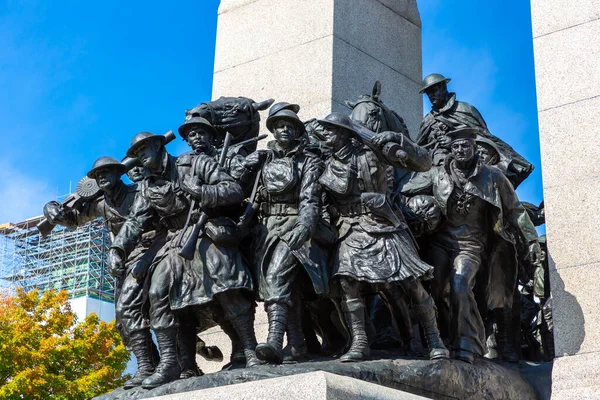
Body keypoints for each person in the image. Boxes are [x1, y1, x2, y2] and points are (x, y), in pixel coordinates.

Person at [109, 131, 258, 388]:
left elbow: (233, 189)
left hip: (206, 229)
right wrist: (118, 249)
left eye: (144, 149)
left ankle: (251, 349)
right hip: (174, 242)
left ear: (158, 146)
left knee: (227, 286)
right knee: (157, 294)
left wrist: (201, 191)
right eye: (136, 153)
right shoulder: (148, 186)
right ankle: (169, 363)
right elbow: (135, 222)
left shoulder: (195, 163)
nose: (141, 156)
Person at [401, 127, 543, 363]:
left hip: (471, 245)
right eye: (456, 147)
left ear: (474, 147)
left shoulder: (493, 177)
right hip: (440, 243)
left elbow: (516, 211)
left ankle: (466, 343)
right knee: (434, 288)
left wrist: (530, 239)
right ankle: (433, 340)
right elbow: (405, 191)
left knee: (460, 284)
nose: (460, 150)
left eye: (465, 146)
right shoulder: (437, 173)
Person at [317, 112, 449, 363]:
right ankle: (360, 342)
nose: (325, 134)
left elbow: (423, 163)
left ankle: (434, 338)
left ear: (345, 133)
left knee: (411, 283)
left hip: (384, 223)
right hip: (350, 227)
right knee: (347, 283)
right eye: (324, 130)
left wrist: (399, 140)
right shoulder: (326, 166)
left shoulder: (372, 153)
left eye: (331, 130)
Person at [43, 157, 158, 389]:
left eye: (107, 172)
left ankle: (162, 365)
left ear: (119, 173)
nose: (102, 177)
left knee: (152, 310)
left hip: (153, 252)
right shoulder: (101, 204)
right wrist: (50, 208)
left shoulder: (139, 192)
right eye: (97, 175)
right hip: (126, 262)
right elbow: (73, 220)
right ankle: (149, 366)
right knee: (124, 320)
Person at [240, 108, 330, 364]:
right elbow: (242, 192)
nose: (285, 130)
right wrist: (246, 169)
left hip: (293, 226)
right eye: (279, 125)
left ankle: (274, 341)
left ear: (298, 131)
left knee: (277, 276)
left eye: (290, 126)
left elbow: (311, 199)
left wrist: (305, 226)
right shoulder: (263, 160)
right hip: (265, 230)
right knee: (284, 287)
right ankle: (298, 345)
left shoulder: (309, 161)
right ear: (273, 129)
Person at [417, 73, 533, 187]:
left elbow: (482, 136)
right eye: (428, 93)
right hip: (439, 164)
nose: (431, 95)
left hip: (468, 158)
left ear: (443, 88)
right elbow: (421, 148)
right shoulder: (428, 120)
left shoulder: (464, 109)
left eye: (434, 91)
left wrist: (452, 141)